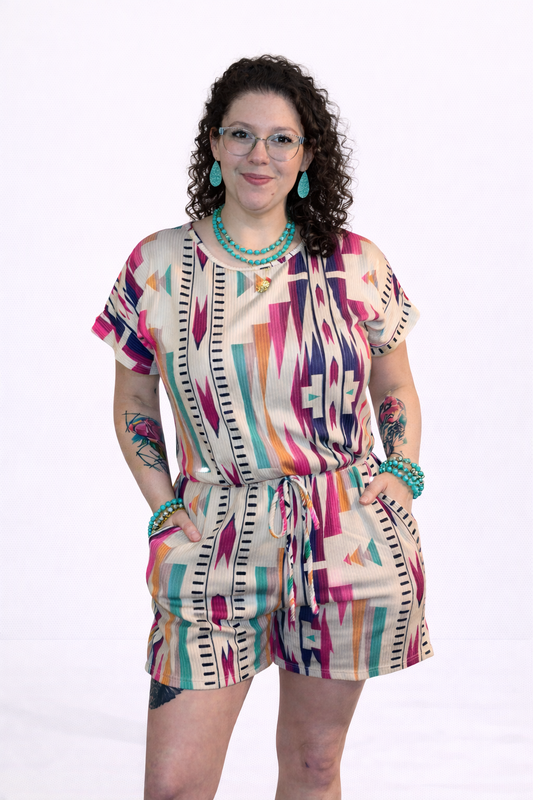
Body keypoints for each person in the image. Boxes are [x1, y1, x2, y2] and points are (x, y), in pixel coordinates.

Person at [92, 54, 434, 800]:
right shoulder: (158, 266)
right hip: (213, 532)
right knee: (175, 787)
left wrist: (401, 473)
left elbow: (393, 380)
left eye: (282, 140)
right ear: (212, 146)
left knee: (312, 770)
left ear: (308, 154)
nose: (260, 155)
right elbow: (132, 404)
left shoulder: (353, 264)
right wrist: (164, 507)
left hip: (343, 536)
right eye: (241, 134)